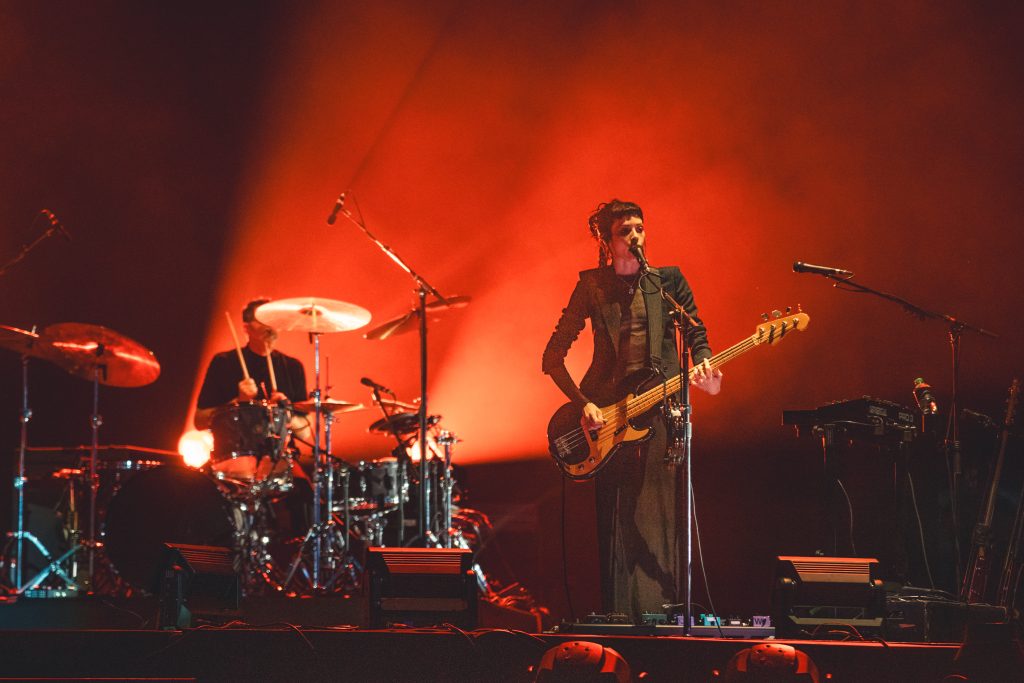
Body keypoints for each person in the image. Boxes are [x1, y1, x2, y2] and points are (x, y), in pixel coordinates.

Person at [542, 199, 723, 620]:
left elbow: (695, 330)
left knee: (660, 511)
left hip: (660, 411)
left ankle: (668, 613)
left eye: (640, 228)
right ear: (608, 241)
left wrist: (705, 361)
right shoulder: (592, 286)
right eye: (625, 231)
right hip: (605, 417)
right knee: (619, 516)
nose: (636, 237)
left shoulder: (668, 282)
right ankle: (621, 617)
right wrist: (582, 402)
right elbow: (552, 356)